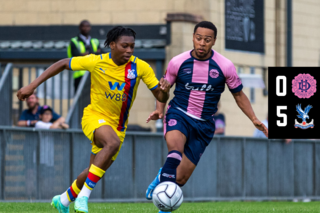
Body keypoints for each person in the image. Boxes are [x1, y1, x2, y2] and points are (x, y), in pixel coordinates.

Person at [17, 26, 170, 213]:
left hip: (118, 126)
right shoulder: (96, 61)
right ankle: (83, 198)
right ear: (112, 45)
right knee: (111, 143)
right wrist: (32, 86)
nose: (129, 50)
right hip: (94, 117)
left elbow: (160, 97)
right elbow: (64, 63)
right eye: (124, 46)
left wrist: (164, 92)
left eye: (132, 46)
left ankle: (63, 200)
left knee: (93, 170)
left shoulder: (141, 67)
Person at [145, 21, 268, 213]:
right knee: (175, 152)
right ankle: (164, 209)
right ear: (193, 37)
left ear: (214, 41)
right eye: (199, 38)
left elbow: (239, 95)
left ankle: (162, 175)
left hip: (204, 125)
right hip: (179, 113)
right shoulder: (177, 62)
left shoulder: (225, 66)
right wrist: (160, 108)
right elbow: (163, 90)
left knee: (180, 179)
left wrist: (253, 118)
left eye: (207, 40)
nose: (202, 43)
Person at [67, 20, 102, 92]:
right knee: (80, 99)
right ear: (80, 28)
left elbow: (101, 54)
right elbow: (75, 55)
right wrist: (94, 53)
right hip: (80, 75)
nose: (86, 28)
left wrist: (86, 54)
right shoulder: (74, 41)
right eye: (84, 26)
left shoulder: (95, 41)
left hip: (93, 74)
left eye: (88, 26)